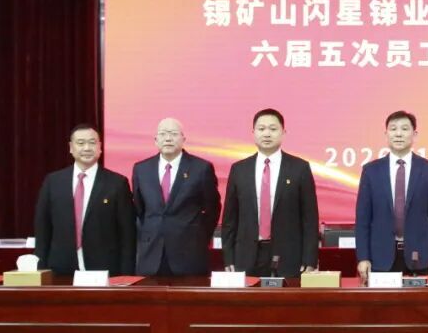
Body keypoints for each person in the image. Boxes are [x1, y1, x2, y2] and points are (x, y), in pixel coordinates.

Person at [220, 109, 319, 277]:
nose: (267, 134)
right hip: (246, 255)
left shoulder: (299, 168)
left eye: (273, 129)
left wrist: (310, 259)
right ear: (253, 133)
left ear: (283, 133)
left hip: (288, 256)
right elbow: (230, 219)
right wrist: (228, 258)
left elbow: (310, 218)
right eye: (261, 129)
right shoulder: (239, 169)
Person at [34, 123, 136, 276]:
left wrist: (125, 275)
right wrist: (41, 269)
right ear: (71, 147)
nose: (87, 148)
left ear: (100, 147)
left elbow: (127, 234)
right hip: (60, 268)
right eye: (81, 143)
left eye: (92, 143)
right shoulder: (53, 182)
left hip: (105, 269)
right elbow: (43, 229)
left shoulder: (117, 183)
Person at [355, 111, 428, 279]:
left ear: (414, 134)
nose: (398, 134)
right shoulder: (371, 171)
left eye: (404, 129)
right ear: (386, 134)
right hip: (380, 258)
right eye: (393, 129)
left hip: (420, 257)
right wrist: (363, 257)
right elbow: (363, 219)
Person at [132, 117, 220, 276]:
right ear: (156, 140)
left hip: (189, 254)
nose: (168, 138)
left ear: (183, 139)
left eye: (173, 134)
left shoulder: (201, 168)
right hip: (151, 254)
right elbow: (140, 209)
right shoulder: (141, 169)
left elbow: (212, 208)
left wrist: (199, 236)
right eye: (163, 134)